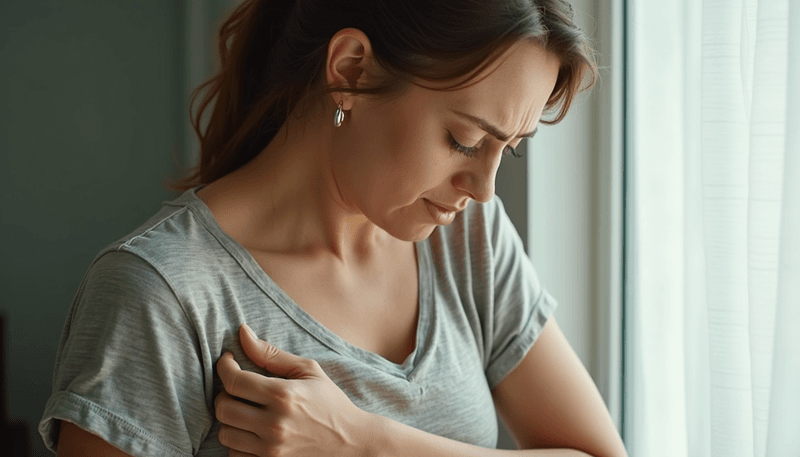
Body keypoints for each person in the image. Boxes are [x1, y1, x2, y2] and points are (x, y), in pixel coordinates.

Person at [40, 0, 627, 455]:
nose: (484, 188)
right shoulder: (162, 297)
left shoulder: (470, 241)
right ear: (352, 69)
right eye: (464, 141)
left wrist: (367, 443)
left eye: (511, 150)